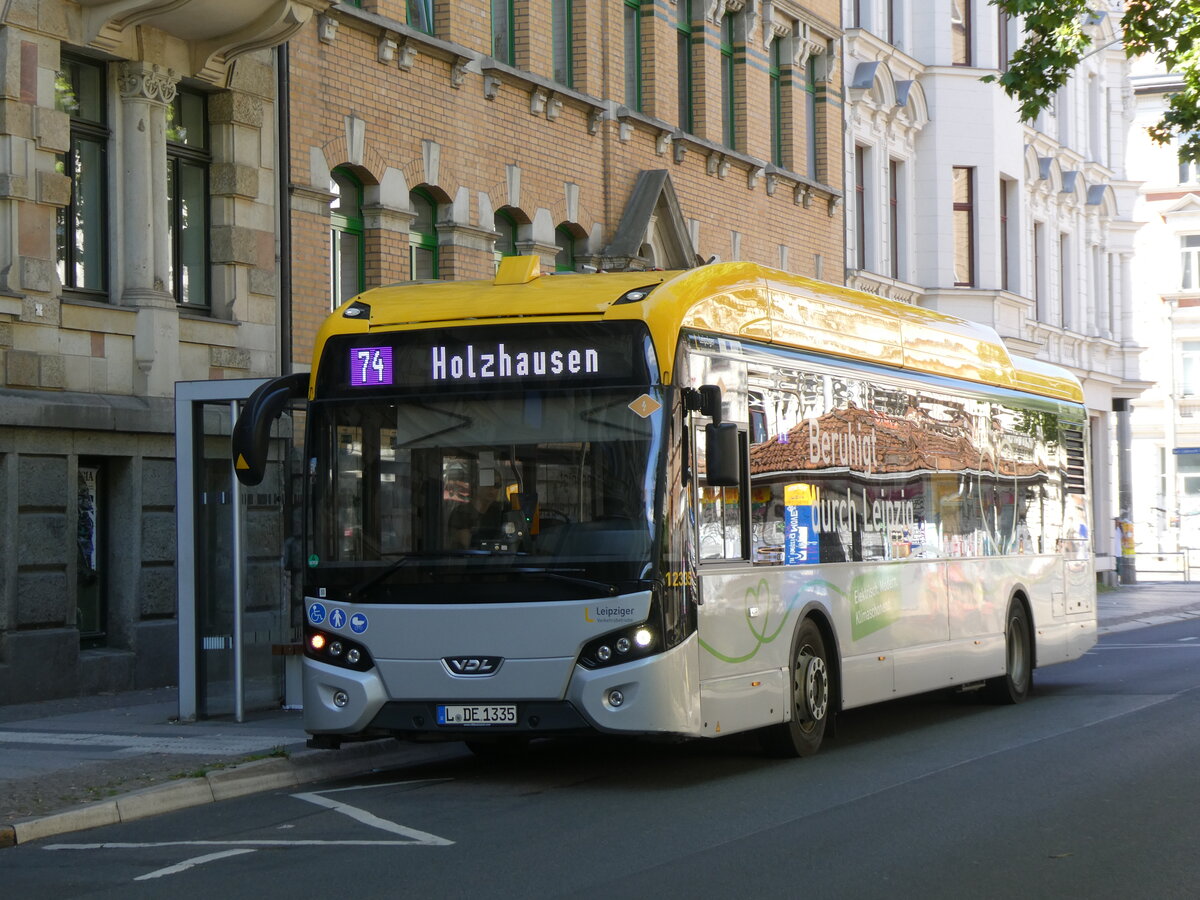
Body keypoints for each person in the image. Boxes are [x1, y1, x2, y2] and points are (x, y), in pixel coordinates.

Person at [448, 478, 505, 549]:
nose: (492, 488)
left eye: (497, 485)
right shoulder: (461, 513)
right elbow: (465, 548)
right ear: (476, 487)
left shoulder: (501, 512)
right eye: (487, 483)